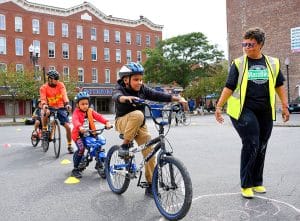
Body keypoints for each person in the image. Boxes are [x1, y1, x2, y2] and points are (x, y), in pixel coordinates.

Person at [215, 27, 289, 199]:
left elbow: (279, 85)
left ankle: (257, 181)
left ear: (260, 44)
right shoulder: (239, 63)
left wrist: (284, 106)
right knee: (252, 142)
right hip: (242, 110)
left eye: (251, 44)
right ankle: (246, 184)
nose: (246, 48)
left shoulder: (273, 63)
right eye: (244, 44)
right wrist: (219, 107)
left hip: (265, 110)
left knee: (262, 144)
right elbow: (229, 87)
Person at [112, 62, 187, 197]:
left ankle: (150, 185)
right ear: (126, 80)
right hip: (122, 122)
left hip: (140, 125)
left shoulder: (142, 89)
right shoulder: (120, 88)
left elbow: (158, 95)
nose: (139, 82)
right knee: (138, 114)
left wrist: (178, 99)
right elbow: (116, 96)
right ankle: (125, 146)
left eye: (141, 79)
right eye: (136, 79)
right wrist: (125, 98)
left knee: (150, 151)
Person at [71, 91, 112, 178]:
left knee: (99, 143)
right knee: (81, 149)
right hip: (79, 135)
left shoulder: (90, 111)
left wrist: (107, 122)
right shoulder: (76, 112)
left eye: (86, 103)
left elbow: (99, 116)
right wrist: (80, 127)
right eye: (82, 104)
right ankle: (75, 169)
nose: (85, 105)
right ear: (78, 105)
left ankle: (99, 163)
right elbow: (75, 121)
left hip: (90, 133)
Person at [40, 70, 74, 154]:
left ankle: (69, 145)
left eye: (57, 79)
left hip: (60, 107)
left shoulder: (61, 85)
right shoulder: (43, 87)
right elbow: (43, 98)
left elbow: (64, 95)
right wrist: (44, 105)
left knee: (68, 127)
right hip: (49, 107)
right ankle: (44, 130)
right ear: (50, 79)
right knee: (46, 112)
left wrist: (67, 104)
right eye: (55, 79)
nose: (57, 80)